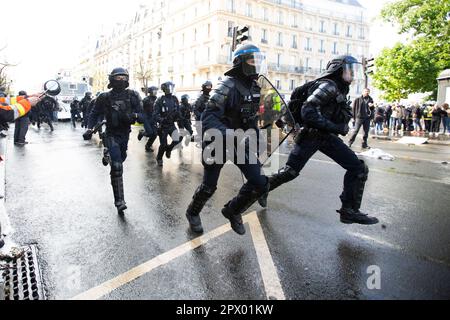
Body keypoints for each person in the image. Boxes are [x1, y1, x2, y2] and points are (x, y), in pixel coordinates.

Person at [259, 55, 379, 225]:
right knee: (290, 172)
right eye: (349, 70)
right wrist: (336, 127)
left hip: (325, 137)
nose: (352, 74)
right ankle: (259, 188)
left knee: (358, 168)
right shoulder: (328, 86)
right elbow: (308, 111)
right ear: (338, 70)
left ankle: (349, 211)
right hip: (311, 136)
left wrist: (335, 126)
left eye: (354, 71)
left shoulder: (339, 88)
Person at [185, 44, 270, 235]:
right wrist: (233, 135)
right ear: (240, 63)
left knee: (260, 182)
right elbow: (208, 118)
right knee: (209, 186)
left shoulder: (255, 88)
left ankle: (232, 210)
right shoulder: (227, 86)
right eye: (252, 61)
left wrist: (255, 135)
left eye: (259, 61)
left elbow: (250, 118)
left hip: (239, 144)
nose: (256, 65)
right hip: (217, 142)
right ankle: (192, 212)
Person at [83, 67, 143, 215]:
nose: (121, 80)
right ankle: (119, 201)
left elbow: (143, 114)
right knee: (117, 166)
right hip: (111, 133)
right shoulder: (104, 97)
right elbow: (94, 113)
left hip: (125, 133)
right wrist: (89, 129)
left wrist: (135, 117)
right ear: (112, 79)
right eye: (118, 77)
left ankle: (107, 154)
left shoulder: (133, 95)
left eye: (124, 77)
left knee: (121, 158)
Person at [153, 81, 182, 166]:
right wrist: (161, 120)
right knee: (163, 145)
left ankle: (169, 149)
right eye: (168, 87)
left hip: (171, 125)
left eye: (171, 87)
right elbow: (155, 114)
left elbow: (178, 111)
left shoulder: (175, 99)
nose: (170, 89)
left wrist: (180, 120)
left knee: (177, 140)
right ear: (164, 89)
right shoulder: (160, 100)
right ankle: (159, 158)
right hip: (163, 126)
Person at [137, 86, 159, 152]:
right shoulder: (146, 99)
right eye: (153, 90)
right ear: (150, 91)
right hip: (147, 118)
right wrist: (141, 117)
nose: (155, 92)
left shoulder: (157, 99)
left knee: (155, 134)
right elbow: (140, 108)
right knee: (149, 133)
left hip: (154, 119)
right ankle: (142, 133)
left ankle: (148, 146)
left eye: (156, 90)